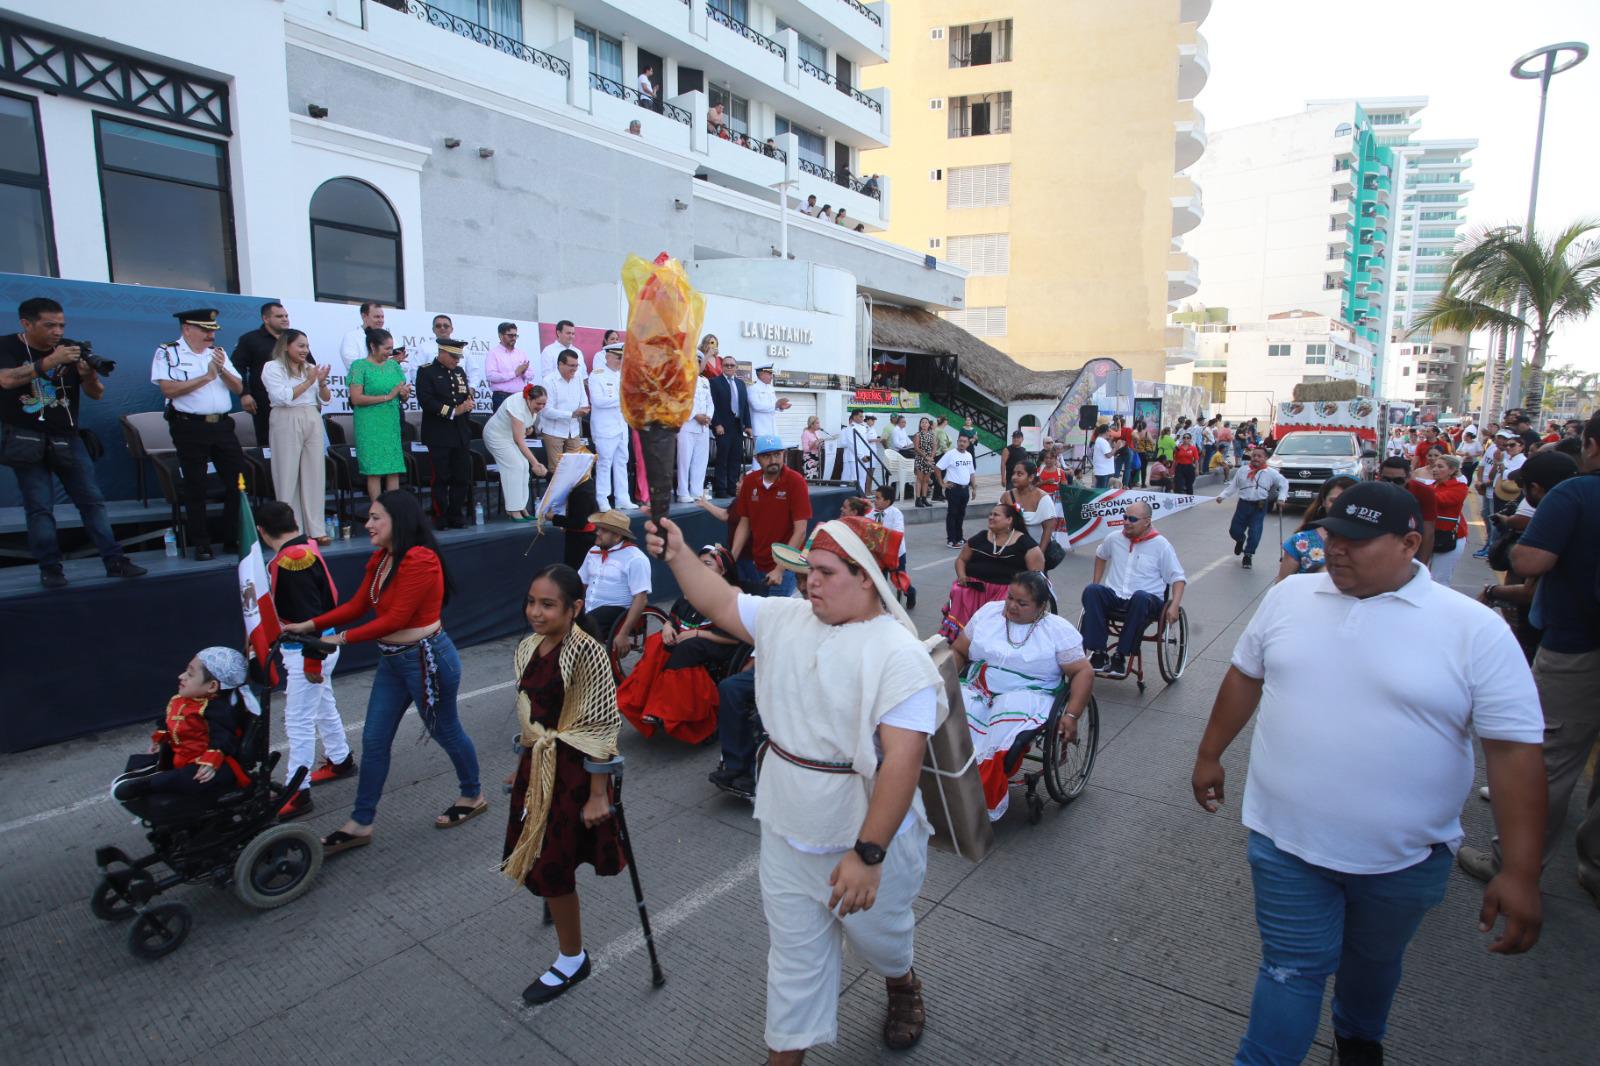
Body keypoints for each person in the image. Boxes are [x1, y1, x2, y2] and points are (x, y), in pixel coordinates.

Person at [1190, 480, 1545, 1066]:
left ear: (1410, 544)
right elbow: (1245, 674)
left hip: (1404, 861)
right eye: (1332, 534)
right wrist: (1210, 754)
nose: (1335, 548)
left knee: (1373, 965)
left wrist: (1522, 871)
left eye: (1356, 540)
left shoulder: (1473, 629)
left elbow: (1513, 753)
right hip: (1285, 843)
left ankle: (1357, 1039)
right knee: (1289, 970)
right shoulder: (1289, 597)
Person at [646, 513, 941, 1061]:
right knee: (793, 964)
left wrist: (868, 853)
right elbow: (721, 601)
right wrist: (678, 553)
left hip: (864, 835)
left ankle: (901, 982)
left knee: (882, 940)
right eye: (808, 572)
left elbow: (903, 763)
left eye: (826, 573)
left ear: (867, 577)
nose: (810, 583)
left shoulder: (898, 653)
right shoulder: (786, 618)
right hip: (786, 826)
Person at [286, 490, 485, 855]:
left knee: (445, 730)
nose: (368, 524)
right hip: (394, 661)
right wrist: (310, 625)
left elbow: (395, 619)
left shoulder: (420, 559)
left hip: (426, 660)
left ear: (399, 520)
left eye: (376, 517)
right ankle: (361, 822)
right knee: (375, 740)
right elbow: (357, 605)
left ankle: (472, 795)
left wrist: (338, 640)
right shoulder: (383, 558)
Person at [1458, 412, 1600, 907]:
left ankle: (1512, 865)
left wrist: (1522, 545)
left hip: (1578, 646)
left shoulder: (1576, 493)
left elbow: (1532, 561)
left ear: (1592, 445)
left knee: (1550, 760)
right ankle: (1595, 866)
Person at [501, 563, 626, 1006]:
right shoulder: (529, 646)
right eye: (531, 602)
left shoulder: (588, 654)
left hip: (575, 775)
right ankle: (562, 924)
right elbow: (530, 715)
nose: (536, 612)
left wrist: (598, 795)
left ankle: (573, 959)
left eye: (548, 605)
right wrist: (523, 763)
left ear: (574, 608)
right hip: (539, 767)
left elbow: (600, 729)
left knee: (553, 866)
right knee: (540, 858)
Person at [0, 296, 146, 587]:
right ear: (26, 324)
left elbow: (96, 393)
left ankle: (115, 560)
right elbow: (5, 380)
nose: (57, 331)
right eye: (49, 325)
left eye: (61, 325)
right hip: (26, 437)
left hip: (68, 438)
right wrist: (50, 362)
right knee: (40, 507)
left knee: (92, 502)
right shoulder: (7, 346)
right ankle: (50, 568)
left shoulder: (70, 348)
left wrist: (88, 374)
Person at [952, 572, 1094, 820]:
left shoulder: (1056, 630)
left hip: (1028, 694)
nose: (1011, 606)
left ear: (1041, 606)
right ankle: (943, 785)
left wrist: (1072, 715)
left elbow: (1083, 672)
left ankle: (975, 797)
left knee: (998, 734)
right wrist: (942, 682)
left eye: (1022, 603)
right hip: (978, 687)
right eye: (1010, 598)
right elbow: (958, 651)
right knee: (947, 717)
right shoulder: (988, 613)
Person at [255, 500, 355, 820]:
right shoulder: (304, 547)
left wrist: (312, 658)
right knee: (323, 705)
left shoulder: (292, 560)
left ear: (261, 531)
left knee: (298, 721)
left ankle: (297, 791)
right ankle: (340, 758)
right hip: (319, 645)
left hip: (308, 649)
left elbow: (308, 613)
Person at [617, 544, 743, 743]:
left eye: (707, 564)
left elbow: (734, 637)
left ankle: (662, 708)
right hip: (689, 639)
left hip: (717, 643)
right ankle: (638, 698)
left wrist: (697, 633)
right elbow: (674, 616)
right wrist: (667, 626)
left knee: (686, 648)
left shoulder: (731, 596)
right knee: (658, 641)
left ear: (723, 570)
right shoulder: (692, 590)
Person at [111, 647, 254, 819]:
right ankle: (151, 777)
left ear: (212, 686)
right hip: (183, 754)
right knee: (149, 764)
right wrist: (161, 737)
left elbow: (223, 737)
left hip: (206, 763)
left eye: (190, 674)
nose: (181, 676)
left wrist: (211, 760)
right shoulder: (183, 700)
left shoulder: (216, 710)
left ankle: (153, 782)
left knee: (190, 777)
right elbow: (169, 720)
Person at [152, 308, 248, 561]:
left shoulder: (218, 353)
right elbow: (168, 389)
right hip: (190, 426)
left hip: (222, 425)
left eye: (213, 330)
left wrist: (221, 369)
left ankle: (231, 537)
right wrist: (206, 377)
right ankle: (201, 542)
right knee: (196, 485)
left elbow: (238, 387)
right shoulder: (168, 352)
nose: (210, 336)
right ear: (187, 329)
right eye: (205, 330)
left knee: (238, 480)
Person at [1079, 502, 1186, 678]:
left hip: (1147, 601)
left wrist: (1174, 605)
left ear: (1147, 521)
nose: (1126, 522)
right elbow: (1100, 555)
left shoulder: (1161, 545)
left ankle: (1120, 655)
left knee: (1140, 597)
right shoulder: (1114, 538)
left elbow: (1178, 578)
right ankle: (1098, 652)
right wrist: (1096, 582)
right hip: (1116, 596)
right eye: (1125, 517)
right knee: (1092, 591)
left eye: (1132, 519)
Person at [262, 328, 332, 542]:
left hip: (311, 415)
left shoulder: (310, 368)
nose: (305, 350)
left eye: (307, 346)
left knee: (315, 474)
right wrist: (309, 381)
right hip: (286, 416)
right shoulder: (272, 367)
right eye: (301, 346)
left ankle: (316, 530)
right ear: (286, 346)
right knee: (287, 474)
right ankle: (290, 531)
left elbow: (326, 399)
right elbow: (283, 397)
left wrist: (321, 382)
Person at [944, 503, 1045, 635]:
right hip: (974, 589)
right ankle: (963, 639)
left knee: (996, 625)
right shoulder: (981, 537)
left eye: (996, 515)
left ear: (1009, 520)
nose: (991, 517)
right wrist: (962, 575)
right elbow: (961, 560)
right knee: (959, 591)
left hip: (1004, 592)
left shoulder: (1025, 543)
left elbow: (1036, 577)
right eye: (990, 514)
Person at [731, 435, 812, 597]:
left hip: (787, 567)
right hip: (758, 563)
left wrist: (780, 569)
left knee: (775, 611)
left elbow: (801, 531)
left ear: (784, 455)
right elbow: (744, 524)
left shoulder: (796, 481)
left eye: (777, 454)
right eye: (767, 456)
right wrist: (730, 560)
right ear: (757, 459)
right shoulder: (749, 481)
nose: (773, 460)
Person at [416, 337, 475, 529]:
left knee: (461, 476)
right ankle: (439, 515)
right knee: (440, 477)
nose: (457, 361)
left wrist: (468, 403)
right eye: (453, 357)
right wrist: (453, 411)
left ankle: (456, 514)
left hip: (460, 432)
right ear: (442, 353)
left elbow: (464, 394)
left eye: (458, 357)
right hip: (439, 433)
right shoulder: (426, 371)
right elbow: (426, 401)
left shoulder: (459, 372)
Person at [347, 327, 409, 502]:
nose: (390, 352)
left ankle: (392, 509)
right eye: (386, 348)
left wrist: (404, 394)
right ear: (373, 346)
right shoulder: (359, 366)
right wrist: (388, 397)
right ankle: (377, 510)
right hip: (369, 423)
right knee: (374, 470)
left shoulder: (393, 366)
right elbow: (356, 398)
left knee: (393, 468)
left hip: (391, 422)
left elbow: (401, 395)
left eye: (391, 348)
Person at [577, 509, 651, 656]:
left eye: (603, 530)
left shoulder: (635, 558)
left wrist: (623, 633)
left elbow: (641, 599)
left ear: (617, 536)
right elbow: (580, 583)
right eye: (598, 528)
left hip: (617, 612)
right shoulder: (593, 551)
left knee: (583, 628)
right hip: (590, 611)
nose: (597, 532)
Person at [481, 383, 549, 521]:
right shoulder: (517, 406)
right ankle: (513, 510)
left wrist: (528, 429)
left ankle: (521, 506)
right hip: (496, 436)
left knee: (524, 465)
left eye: (544, 404)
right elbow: (519, 440)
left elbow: (525, 428)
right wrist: (536, 464)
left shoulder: (531, 406)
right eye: (538, 403)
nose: (541, 407)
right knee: (515, 466)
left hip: (509, 437)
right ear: (529, 399)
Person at [1275, 475, 1358, 583]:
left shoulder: (1373, 541)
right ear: (1323, 501)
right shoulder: (1300, 542)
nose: (1340, 507)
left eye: (1348, 502)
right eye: (1334, 501)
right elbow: (1281, 584)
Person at [1216, 446, 1288, 569]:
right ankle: (1240, 539)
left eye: (1259, 456)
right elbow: (1233, 486)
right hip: (1243, 504)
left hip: (1259, 506)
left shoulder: (1271, 473)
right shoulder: (1243, 470)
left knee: (1255, 532)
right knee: (1234, 530)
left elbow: (1284, 483)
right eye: (1254, 455)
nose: (1256, 458)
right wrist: (1222, 496)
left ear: (1265, 458)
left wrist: (1281, 498)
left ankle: (1248, 555)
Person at [232, 301, 289, 444]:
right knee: (269, 444)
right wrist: (244, 393)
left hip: (295, 401)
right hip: (265, 403)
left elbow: (309, 365)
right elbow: (237, 368)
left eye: (286, 316)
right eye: (279, 316)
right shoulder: (250, 339)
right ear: (266, 319)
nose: (285, 319)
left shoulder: (294, 338)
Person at [587, 342, 632, 510]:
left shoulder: (623, 375)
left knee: (622, 462)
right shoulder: (597, 375)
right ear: (608, 356)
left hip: (621, 426)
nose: (621, 361)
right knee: (605, 463)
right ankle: (602, 498)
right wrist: (622, 399)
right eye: (618, 357)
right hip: (605, 428)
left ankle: (623, 498)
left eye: (623, 358)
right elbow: (597, 401)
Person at [1376, 456, 1437, 565]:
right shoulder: (1372, 491)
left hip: (1409, 544)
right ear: (1379, 476)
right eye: (1386, 480)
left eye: (1398, 481)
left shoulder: (1424, 493)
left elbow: (1428, 532)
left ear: (1409, 477)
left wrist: (1421, 565)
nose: (1391, 484)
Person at [541, 348, 592, 479]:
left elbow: (584, 400)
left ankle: (572, 493)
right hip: (553, 431)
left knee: (574, 469)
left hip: (573, 431)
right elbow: (546, 410)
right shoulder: (548, 381)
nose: (575, 369)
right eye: (571, 366)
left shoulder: (578, 377)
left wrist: (583, 410)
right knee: (557, 470)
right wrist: (572, 414)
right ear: (560, 364)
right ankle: (557, 494)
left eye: (576, 366)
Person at [709, 352, 752, 497]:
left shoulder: (740, 384)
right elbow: (712, 406)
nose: (729, 367)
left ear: (736, 367)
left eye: (732, 365)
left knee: (735, 459)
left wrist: (748, 425)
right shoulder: (715, 382)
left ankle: (732, 488)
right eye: (726, 365)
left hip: (737, 426)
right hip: (723, 427)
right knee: (722, 459)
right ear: (722, 367)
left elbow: (744, 406)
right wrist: (716, 424)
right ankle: (721, 489)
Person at [999, 459, 1059, 558]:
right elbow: (998, 521)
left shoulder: (1042, 498)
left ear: (1031, 477)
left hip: (1036, 549)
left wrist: (1039, 554)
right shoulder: (1007, 496)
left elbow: (1048, 529)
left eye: (1019, 474)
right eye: (1013, 473)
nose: (1014, 477)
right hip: (1011, 550)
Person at [1425, 453, 1469, 586]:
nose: (1435, 469)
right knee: (1421, 574)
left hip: (1450, 537)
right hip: (1429, 535)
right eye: (1434, 466)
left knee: (1439, 579)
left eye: (1440, 467)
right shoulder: (1430, 487)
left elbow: (1441, 500)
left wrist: (1419, 491)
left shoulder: (1460, 488)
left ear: (1452, 470)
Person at [676, 354, 714, 502]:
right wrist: (695, 416)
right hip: (688, 425)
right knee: (684, 461)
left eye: (698, 362)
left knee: (701, 461)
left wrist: (708, 416)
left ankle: (696, 491)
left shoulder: (704, 381)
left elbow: (710, 402)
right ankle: (682, 492)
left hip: (703, 427)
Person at [871, 483, 914, 609]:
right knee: (880, 580)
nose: (875, 500)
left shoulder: (896, 514)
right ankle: (882, 603)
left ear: (887, 501)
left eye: (878, 498)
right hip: (879, 554)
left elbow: (898, 532)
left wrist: (879, 534)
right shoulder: (871, 513)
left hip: (895, 553)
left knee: (899, 580)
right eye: (875, 497)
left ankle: (910, 592)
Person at [934, 433, 976, 548]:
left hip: (965, 489)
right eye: (960, 441)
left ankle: (959, 537)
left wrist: (974, 488)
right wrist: (942, 483)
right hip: (953, 489)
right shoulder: (950, 454)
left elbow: (971, 473)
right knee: (953, 514)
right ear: (957, 442)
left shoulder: (969, 455)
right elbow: (937, 468)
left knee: (961, 514)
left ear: (968, 443)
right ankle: (951, 540)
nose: (962, 443)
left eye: (964, 441)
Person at [485, 322, 534, 411]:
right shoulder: (493, 353)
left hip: (520, 397)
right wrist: (514, 373)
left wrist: (524, 372)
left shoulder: (521, 353)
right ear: (500, 336)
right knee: (503, 421)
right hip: (502, 397)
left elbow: (531, 375)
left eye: (515, 335)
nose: (514, 338)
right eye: (510, 335)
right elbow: (491, 376)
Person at [337, 302, 387, 379]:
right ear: (364, 316)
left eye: (382, 317)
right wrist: (386, 363)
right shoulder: (351, 337)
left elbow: (404, 366)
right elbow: (353, 365)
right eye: (377, 317)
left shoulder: (388, 337)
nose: (381, 320)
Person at [747, 362, 791, 446]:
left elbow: (775, 404)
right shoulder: (752, 388)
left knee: (774, 453)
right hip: (760, 430)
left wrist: (781, 406)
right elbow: (756, 406)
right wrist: (776, 405)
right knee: (762, 453)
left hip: (772, 430)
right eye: (770, 374)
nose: (772, 376)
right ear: (761, 374)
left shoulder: (770, 388)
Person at [911, 416, 938, 507]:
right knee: (919, 479)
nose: (924, 424)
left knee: (926, 480)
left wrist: (931, 458)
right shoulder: (918, 435)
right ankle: (918, 500)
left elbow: (934, 448)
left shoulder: (932, 435)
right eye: (922, 422)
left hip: (929, 459)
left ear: (929, 424)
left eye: (926, 422)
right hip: (920, 458)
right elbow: (916, 448)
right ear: (920, 424)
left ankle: (924, 498)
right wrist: (926, 457)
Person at [800, 415, 830, 480]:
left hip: (817, 458)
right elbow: (805, 449)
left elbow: (818, 444)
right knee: (810, 478)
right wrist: (814, 443)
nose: (819, 425)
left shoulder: (817, 433)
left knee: (816, 478)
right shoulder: (806, 433)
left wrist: (823, 444)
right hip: (809, 459)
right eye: (817, 423)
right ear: (811, 425)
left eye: (819, 423)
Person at [1090, 424, 1116, 488]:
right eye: (1109, 431)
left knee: (1103, 489)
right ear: (1106, 431)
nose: (1110, 433)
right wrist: (1117, 447)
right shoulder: (1101, 441)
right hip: (1102, 471)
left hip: (1104, 471)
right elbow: (1108, 455)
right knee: (1101, 490)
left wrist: (1111, 442)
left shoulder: (1102, 440)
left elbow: (1108, 452)